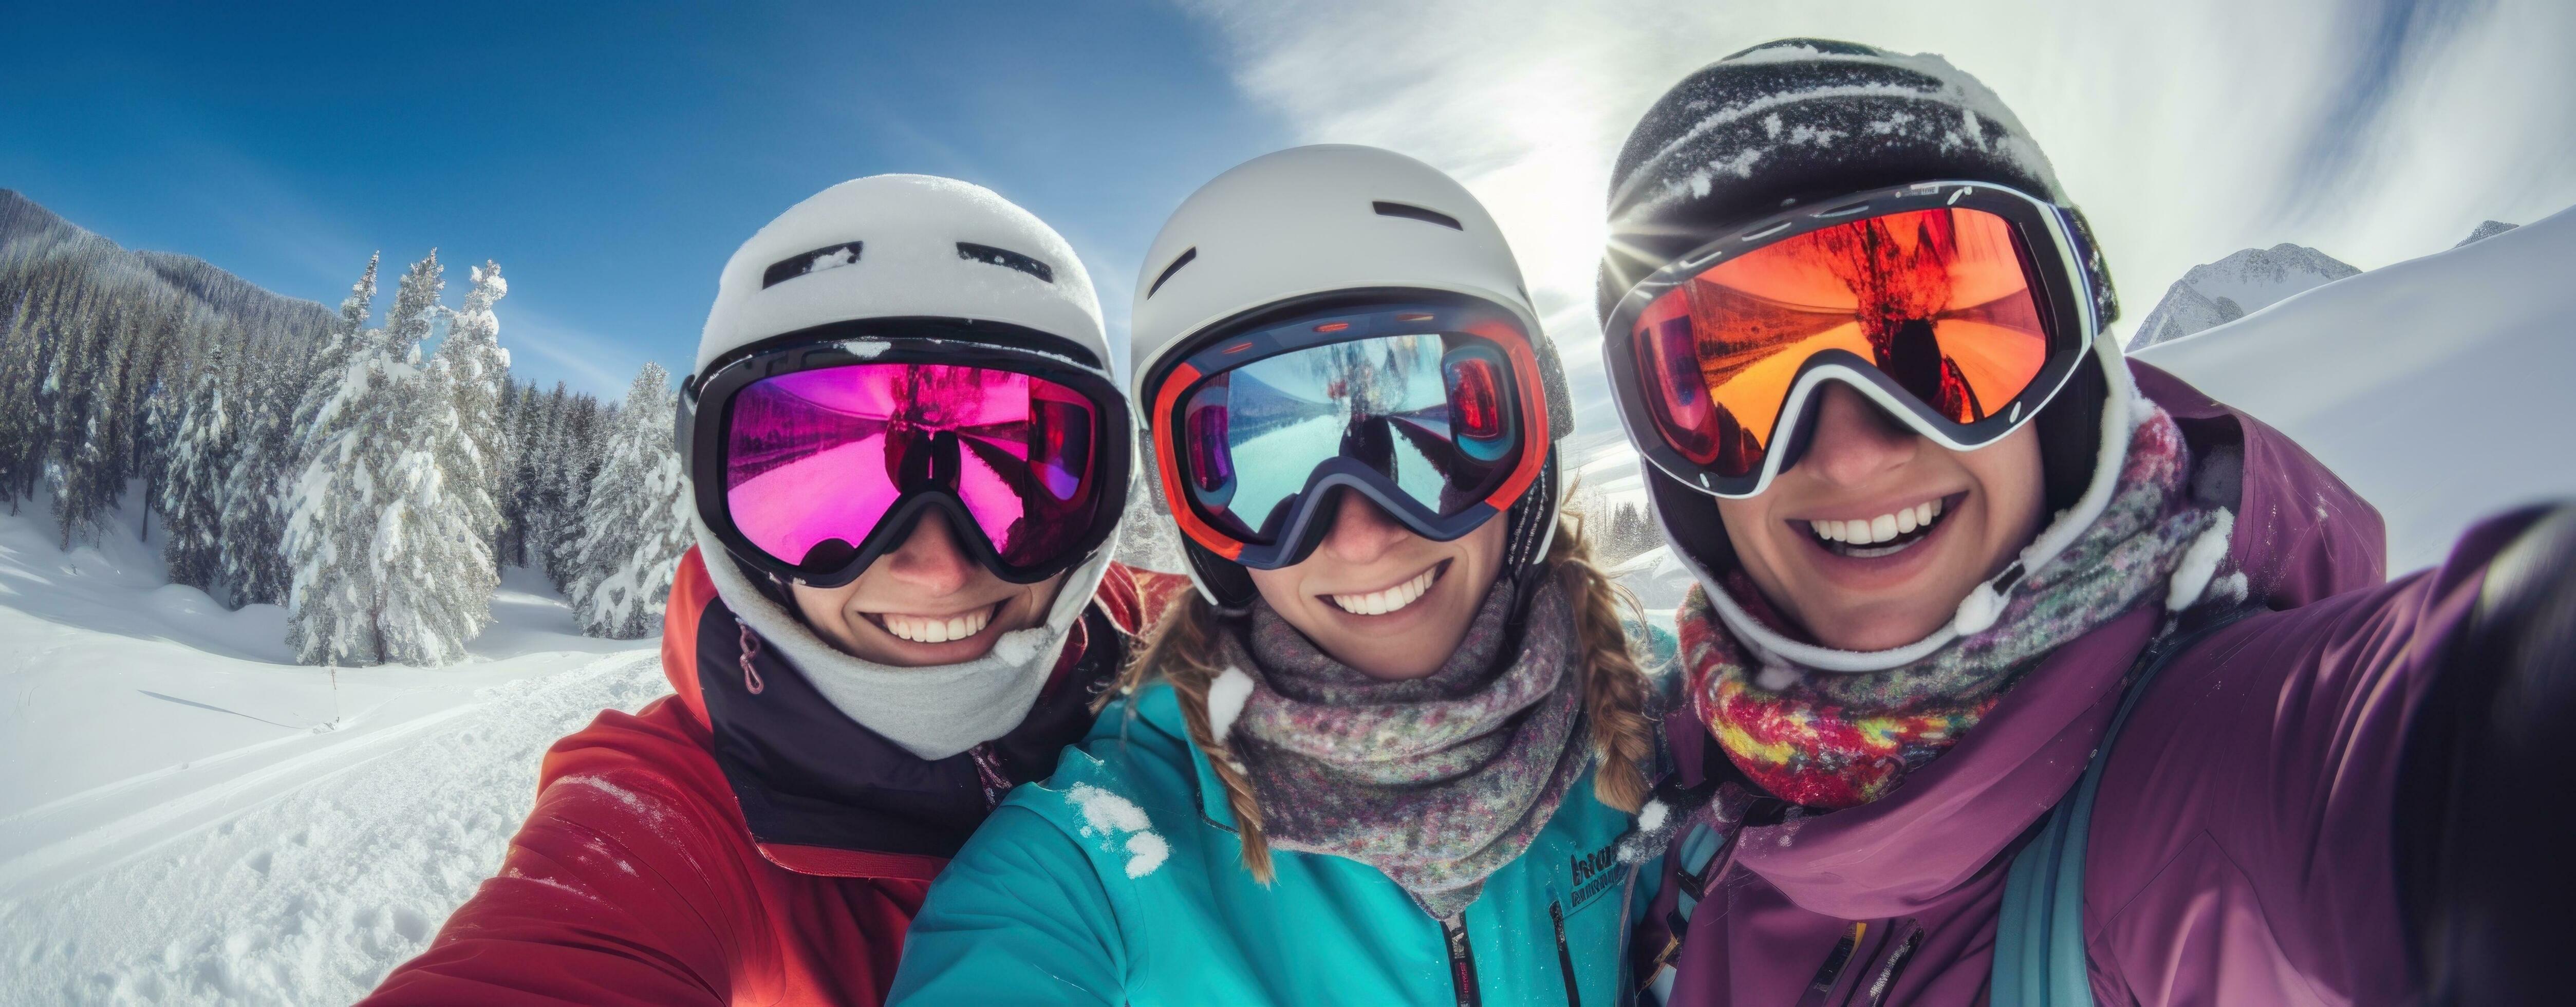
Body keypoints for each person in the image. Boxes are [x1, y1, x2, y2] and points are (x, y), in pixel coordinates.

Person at [1598, 40, 2576, 1005]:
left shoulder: (2208, 781)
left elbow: (2437, 752)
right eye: (1740, 384)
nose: (1852, 449)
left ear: (2064, 392)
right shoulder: (1691, 777)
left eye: (1943, 346)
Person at [364, 175, 1184, 1006]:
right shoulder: (675, 820)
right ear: (718, 510)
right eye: (843, 474)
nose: (937, 567)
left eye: (1028, 484)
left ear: (1108, 497)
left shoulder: (1201, 665)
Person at [887, 145, 1666, 1005]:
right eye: (1266, 476)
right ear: (1197, 518)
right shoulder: (1098, 858)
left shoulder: (1658, 717)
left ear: (1530, 434)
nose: (1363, 537)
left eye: (1436, 430)